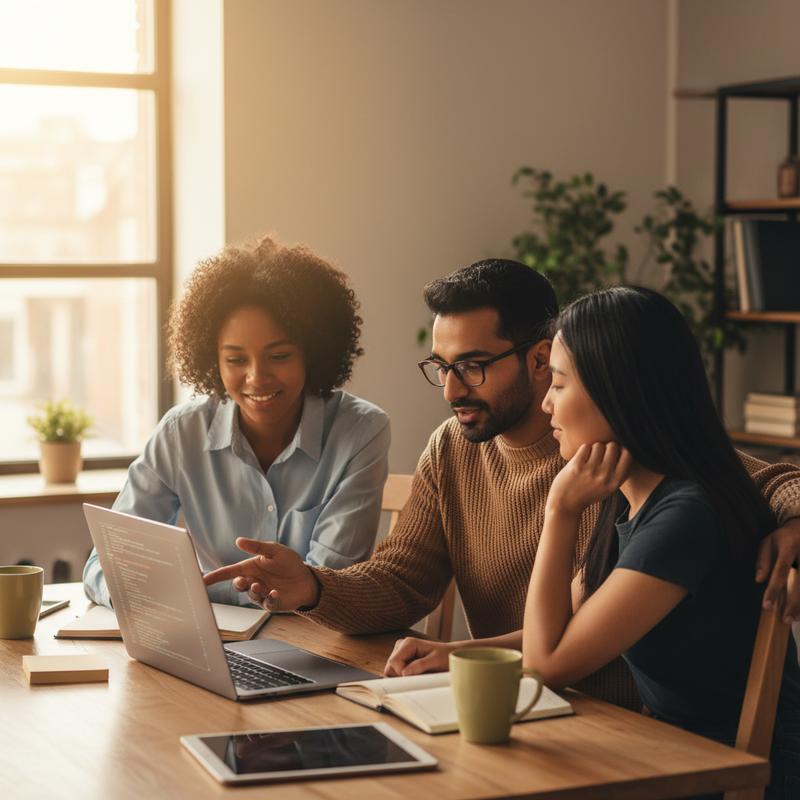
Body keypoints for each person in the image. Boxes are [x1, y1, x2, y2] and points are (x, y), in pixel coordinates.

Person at [204, 260, 800, 705]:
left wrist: (793, 519)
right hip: (515, 703)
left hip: (610, 722)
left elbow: (750, 479)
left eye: (472, 365)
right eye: (442, 366)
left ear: (541, 360)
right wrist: (313, 586)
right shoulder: (459, 450)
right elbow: (405, 578)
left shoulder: (620, 462)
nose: (451, 389)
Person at [83, 235, 390, 607]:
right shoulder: (182, 433)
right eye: (235, 360)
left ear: (313, 352)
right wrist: (139, 591)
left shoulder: (360, 432)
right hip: (207, 641)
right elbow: (105, 563)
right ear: (212, 360)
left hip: (312, 644)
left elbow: (331, 585)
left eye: (278, 356)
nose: (257, 377)